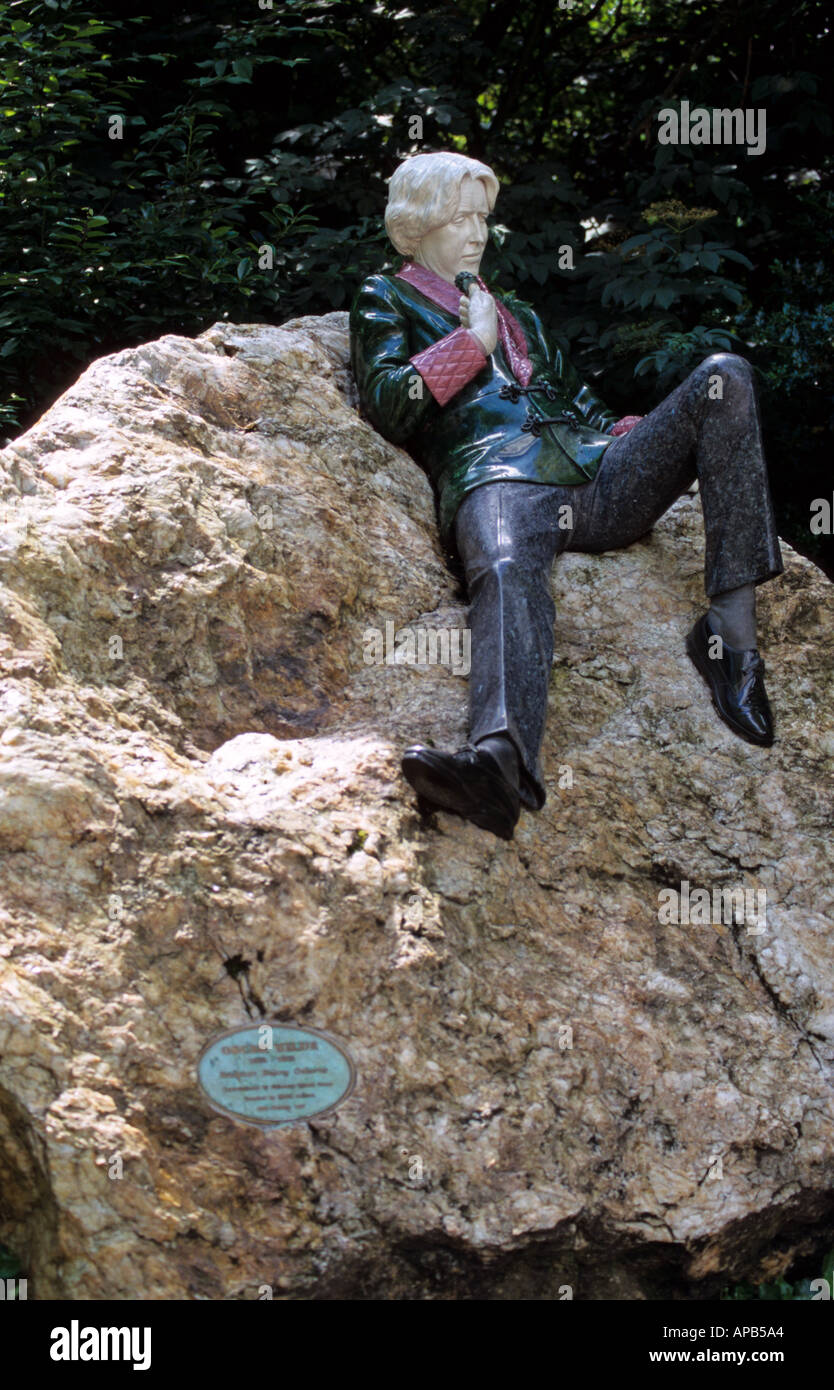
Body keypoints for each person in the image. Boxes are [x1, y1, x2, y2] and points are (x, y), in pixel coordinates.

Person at [349, 151, 784, 841]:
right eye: (459, 218)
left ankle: (732, 643)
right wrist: (470, 344)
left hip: (593, 473)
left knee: (723, 377)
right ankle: (498, 764)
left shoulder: (518, 310)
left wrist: (652, 441)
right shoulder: (385, 296)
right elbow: (387, 405)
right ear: (416, 225)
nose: (476, 233)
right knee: (506, 563)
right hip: (499, 479)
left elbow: (583, 402)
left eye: (483, 219)